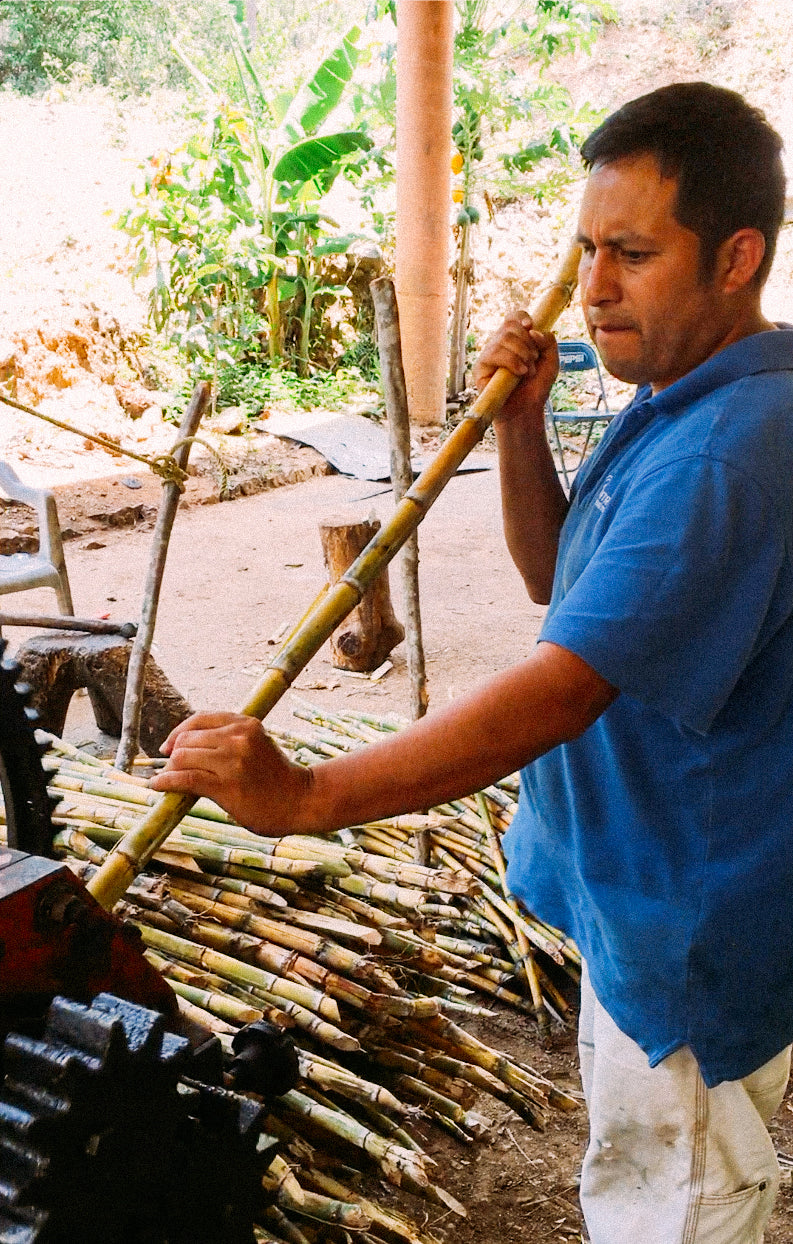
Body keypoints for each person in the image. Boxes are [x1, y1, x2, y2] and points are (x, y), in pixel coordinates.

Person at [152, 82, 793, 1244]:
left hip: (691, 919)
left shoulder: (729, 452)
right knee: (642, 1174)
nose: (593, 287)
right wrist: (519, 422)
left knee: (680, 1206)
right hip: (642, 901)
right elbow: (559, 580)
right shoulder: (671, 398)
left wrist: (305, 797)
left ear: (736, 257)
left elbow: (558, 684)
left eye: (633, 254)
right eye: (586, 249)